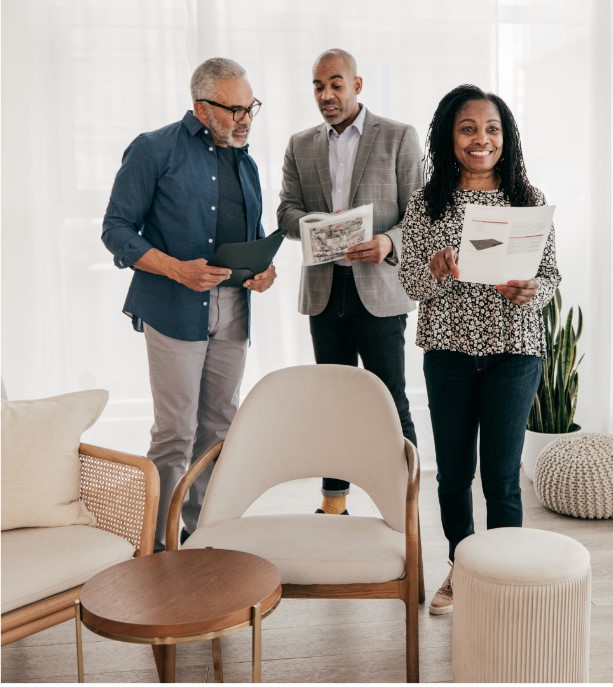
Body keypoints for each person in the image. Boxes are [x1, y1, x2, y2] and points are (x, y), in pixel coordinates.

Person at [398, 84, 561, 614]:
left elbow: (551, 275)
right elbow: (411, 286)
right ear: (449, 135)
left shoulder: (528, 199)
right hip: (448, 353)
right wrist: (435, 269)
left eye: (491, 129)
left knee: (501, 475)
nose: (480, 139)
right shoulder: (427, 202)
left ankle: (505, 577)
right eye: (468, 128)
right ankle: (462, 569)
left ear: (505, 137)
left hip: (514, 351)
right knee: (452, 475)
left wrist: (532, 288)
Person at [102, 57, 276, 551]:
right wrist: (179, 269)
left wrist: (264, 269)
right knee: (176, 431)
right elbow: (116, 230)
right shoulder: (153, 149)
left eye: (251, 108)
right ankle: (155, 545)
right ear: (201, 108)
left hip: (234, 308)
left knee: (220, 428)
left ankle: (201, 534)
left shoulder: (246, 161)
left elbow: (253, 233)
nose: (245, 119)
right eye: (235, 109)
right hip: (173, 309)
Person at [277, 48, 422, 516]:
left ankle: (404, 505)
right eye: (319, 87)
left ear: (357, 85)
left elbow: (421, 216)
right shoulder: (300, 145)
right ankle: (333, 502)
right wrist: (318, 226)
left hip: (378, 291)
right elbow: (285, 212)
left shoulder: (399, 137)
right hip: (325, 292)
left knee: (389, 402)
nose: (327, 95)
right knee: (334, 405)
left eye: (336, 84)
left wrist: (387, 243)